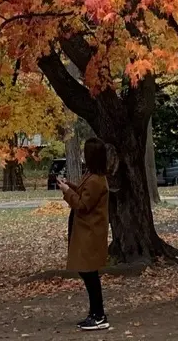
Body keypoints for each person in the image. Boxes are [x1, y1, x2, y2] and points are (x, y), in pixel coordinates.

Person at [58, 137, 110, 331]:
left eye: (84, 152)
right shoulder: (92, 177)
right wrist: (69, 185)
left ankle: (99, 314)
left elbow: (82, 205)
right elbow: (82, 193)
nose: (81, 154)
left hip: (90, 233)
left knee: (89, 273)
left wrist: (66, 192)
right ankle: (95, 312)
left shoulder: (96, 180)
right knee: (88, 272)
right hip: (86, 231)